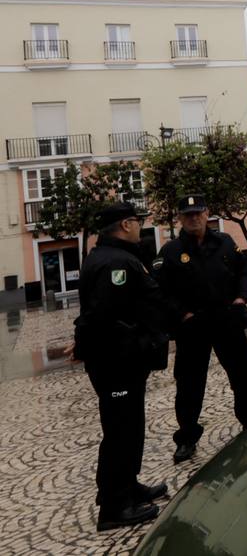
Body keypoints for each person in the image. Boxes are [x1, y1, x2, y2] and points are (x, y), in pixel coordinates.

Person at [71, 201, 171, 532]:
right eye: (137, 221)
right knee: (119, 432)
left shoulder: (113, 256)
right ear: (125, 224)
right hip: (117, 364)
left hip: (125, 362)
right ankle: (113, 507)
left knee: (130, 426)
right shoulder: (114, 262)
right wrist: (139, 344)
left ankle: (128, 486)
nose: (140, 226)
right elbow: (105, 318)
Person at [156, 194, 247, 464]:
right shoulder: (169, 252)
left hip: (227, 320)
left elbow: (244, 273)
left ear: (207, 214)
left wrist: (241, 298)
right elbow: (160, 292)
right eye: (188, 214)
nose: (194, 218)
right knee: (190, 385)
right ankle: (187, 437)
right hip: (193, 328)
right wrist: (183, 314)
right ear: (180, 218)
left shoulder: (225, 243)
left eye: (198, 213)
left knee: (242, 376)